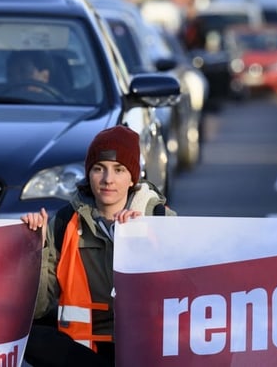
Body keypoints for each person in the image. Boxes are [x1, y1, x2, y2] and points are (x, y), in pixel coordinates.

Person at [20, 125, 175, 367]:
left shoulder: (160, 219)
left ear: (133, 177)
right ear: (88, 174)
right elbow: (40, 309)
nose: (107, 179)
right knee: (33, 339)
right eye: (98, 169)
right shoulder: (63, 222)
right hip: (84, 350)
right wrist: (36, 250)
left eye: (119, 170)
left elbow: (184, 294)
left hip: (146, 344)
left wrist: (144, 240)